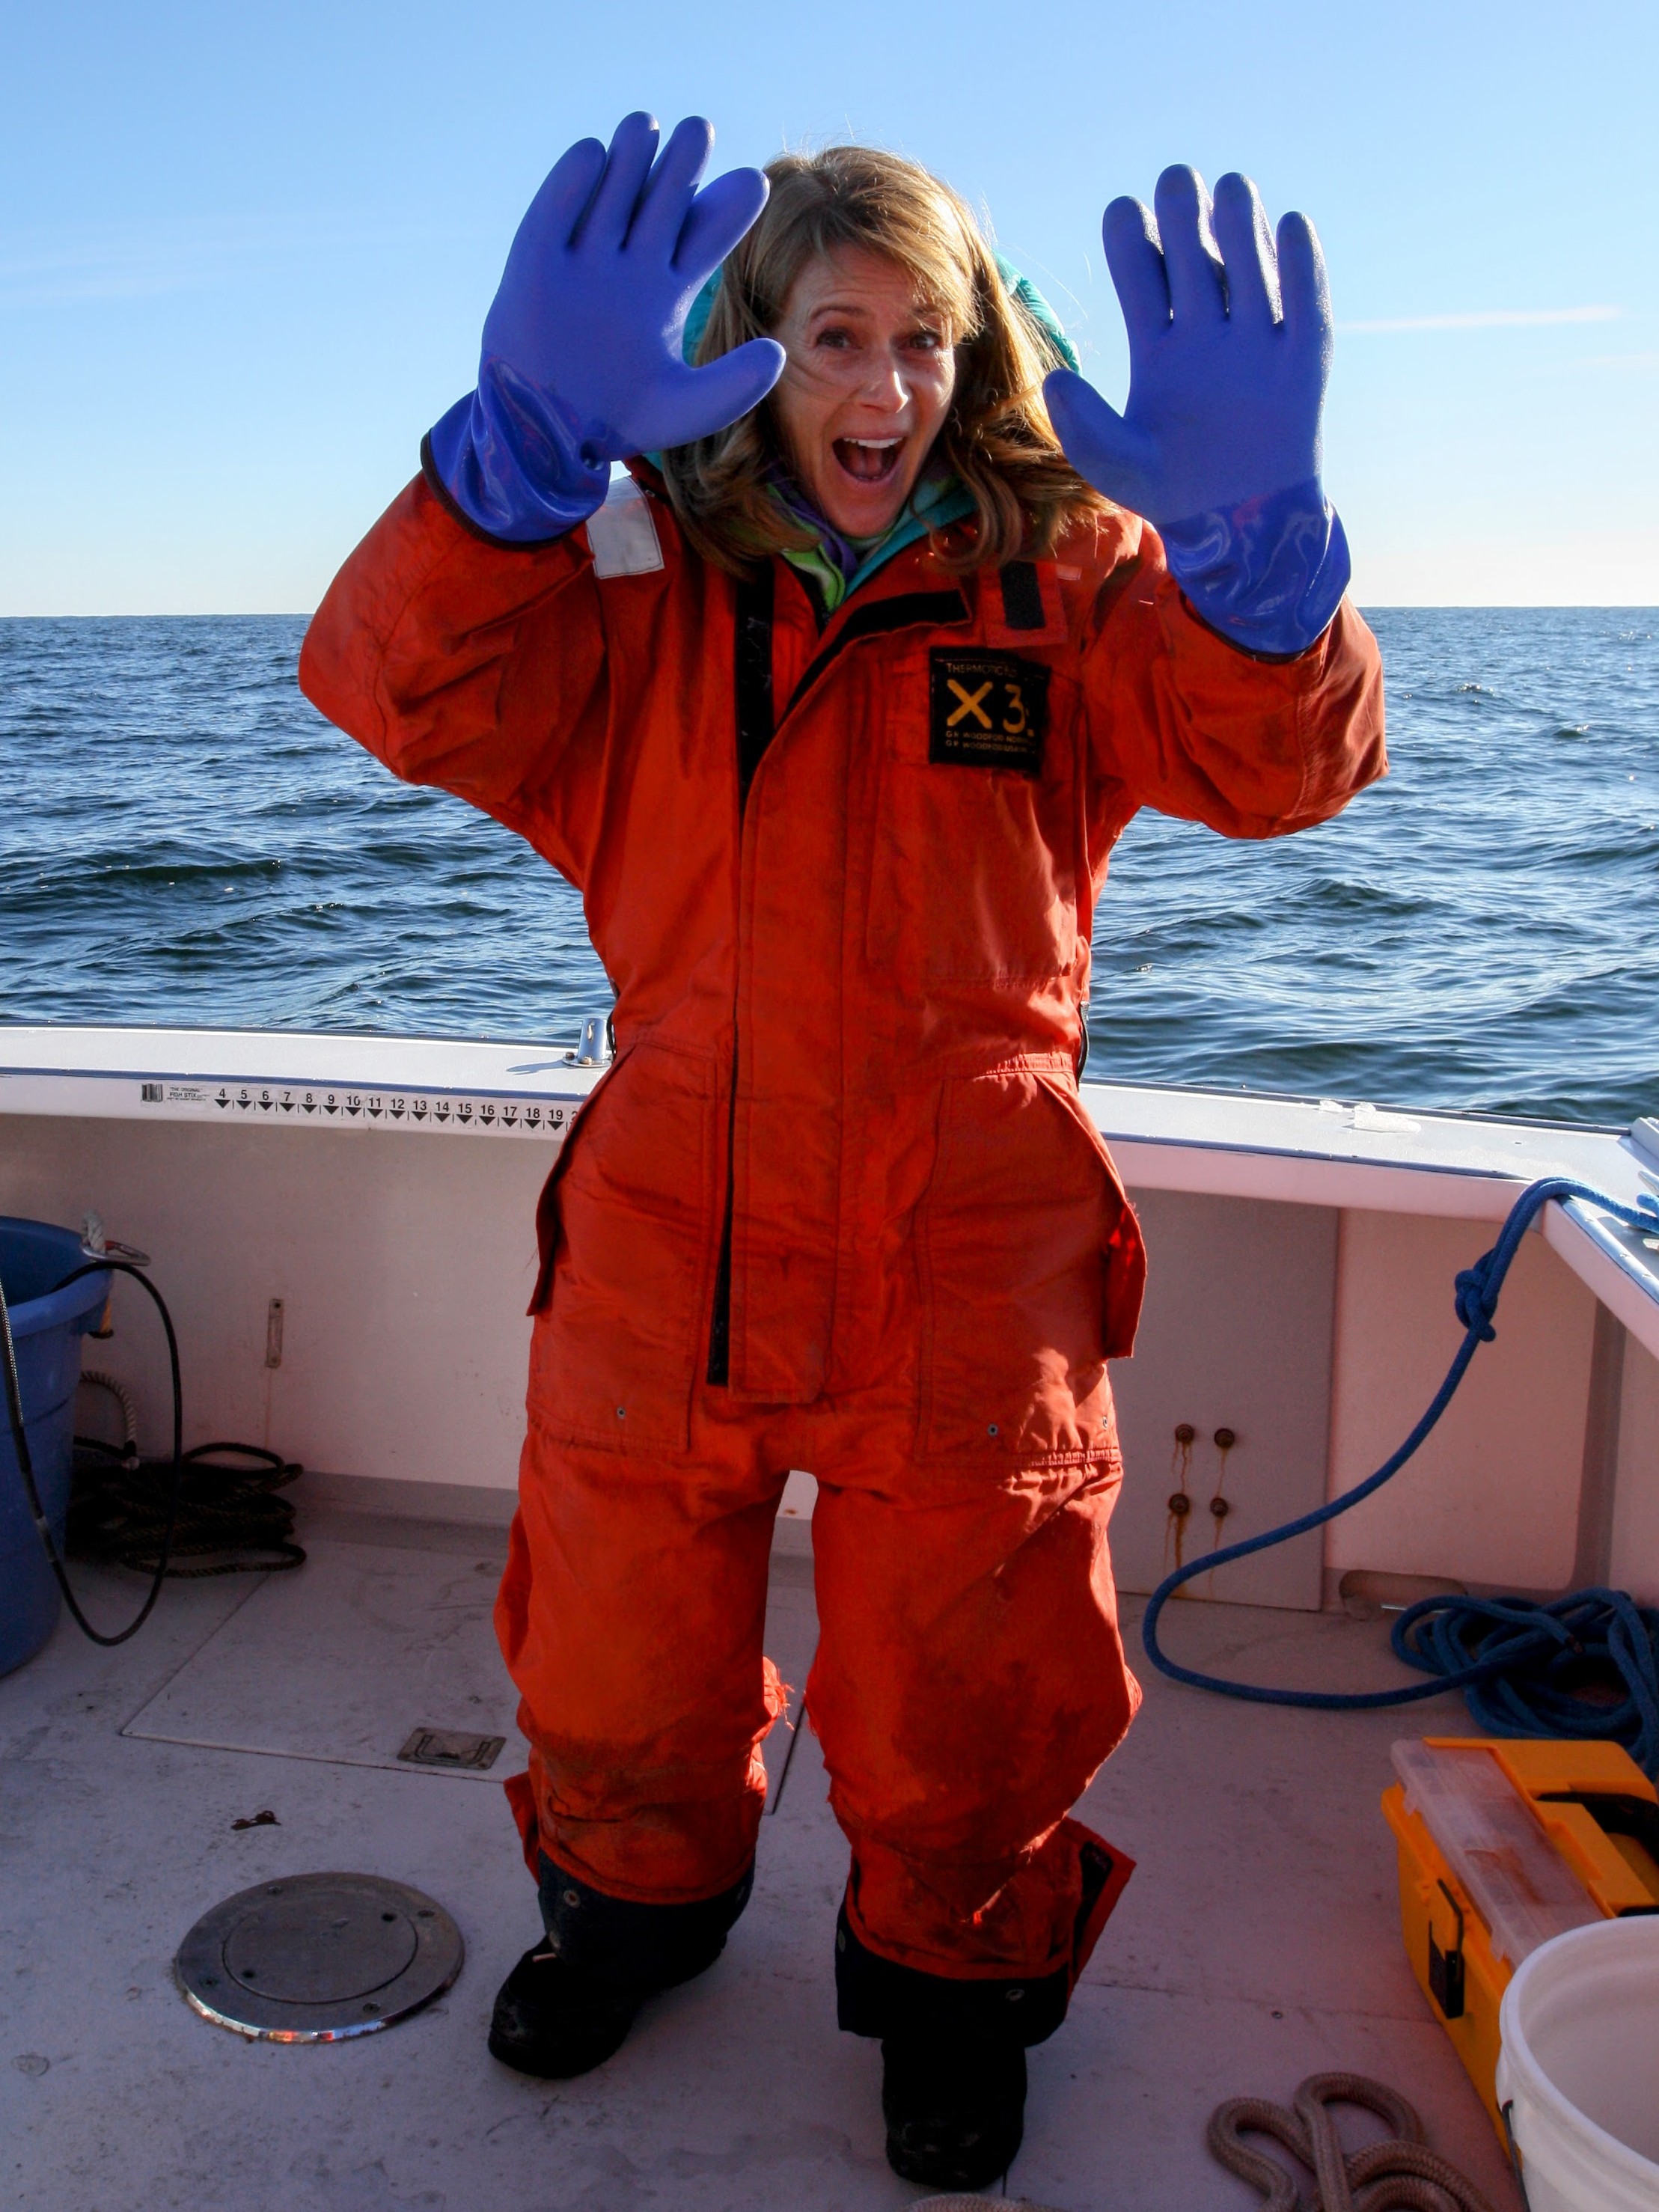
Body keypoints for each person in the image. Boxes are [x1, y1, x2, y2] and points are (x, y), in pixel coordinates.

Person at [300, 114, 1384, 2190]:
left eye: (922, 339)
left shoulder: (1073, 574)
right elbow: (401, 694)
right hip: (667, 1227)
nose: (881, 386)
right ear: (752, 349)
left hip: (968, 1246)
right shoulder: (633, 570)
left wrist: (1262, 569)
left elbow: (1281, 772)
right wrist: (508, 466)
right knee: (616, 1654)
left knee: (973, 1684)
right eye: (832, 337)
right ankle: (626, 1920)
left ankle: (954, 1996)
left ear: (980, 355)